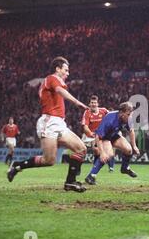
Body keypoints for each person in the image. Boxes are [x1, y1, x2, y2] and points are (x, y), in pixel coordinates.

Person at [7, 57, 89, 192]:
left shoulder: (55, 81)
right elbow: (60, 91)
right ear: (57, 69)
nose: (68, 73)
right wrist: (78, 103)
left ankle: (70, 182)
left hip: (59, 123)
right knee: (49, 160)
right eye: (66, 70)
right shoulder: (52, 78)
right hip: (49, 122)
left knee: (81, 149)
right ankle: (17, 166)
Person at [84, 102, 140, 185]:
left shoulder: (128, 119)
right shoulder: (110, 119)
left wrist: (134, 146)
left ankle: (125, 168)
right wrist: (102, 153)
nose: (130, 117)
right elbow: (98, 137)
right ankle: (91, 176)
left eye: (131, 114)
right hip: (104, 137)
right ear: (121, 113)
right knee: (107, 155)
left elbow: (131, 131)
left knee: (128, 150)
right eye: (128, 114)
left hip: (114, 135)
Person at [81, 95, 114, 172]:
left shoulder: (103, 111)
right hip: (89, 135)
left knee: (97, 149)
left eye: (95, 103)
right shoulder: (87, 112)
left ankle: (109, 167)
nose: (93, 104)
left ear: (97, 104)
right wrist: (90, 133)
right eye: (92, 103)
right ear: (89, 104)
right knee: (80, 150)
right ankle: (77, 167)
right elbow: (85, 127)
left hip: (100, 135)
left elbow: (112, 117)